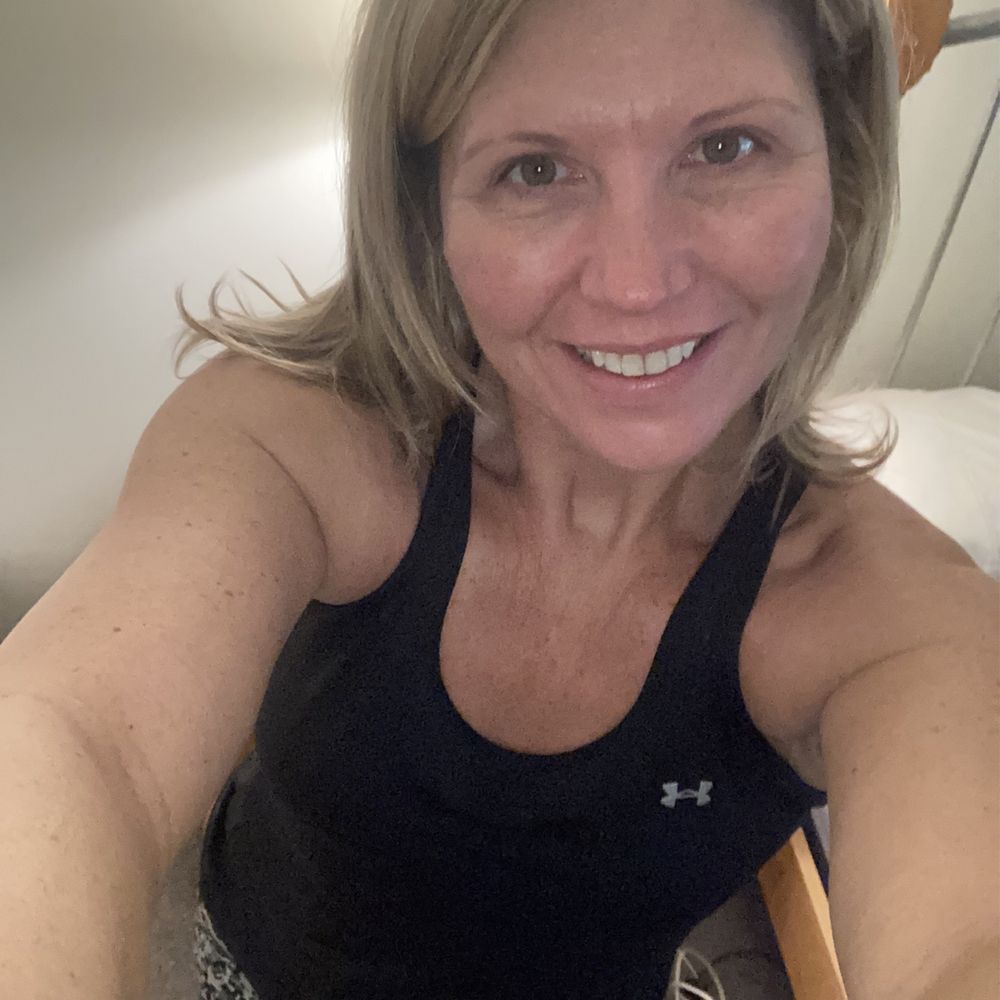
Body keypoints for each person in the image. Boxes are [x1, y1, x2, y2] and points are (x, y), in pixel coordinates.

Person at [1, 0, 996, 997]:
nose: (637, 282)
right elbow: (71, 740)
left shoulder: (894, 618)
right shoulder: (294, 441)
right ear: (428, 207)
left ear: (843, 169)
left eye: (726, 148)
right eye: (536, 170)